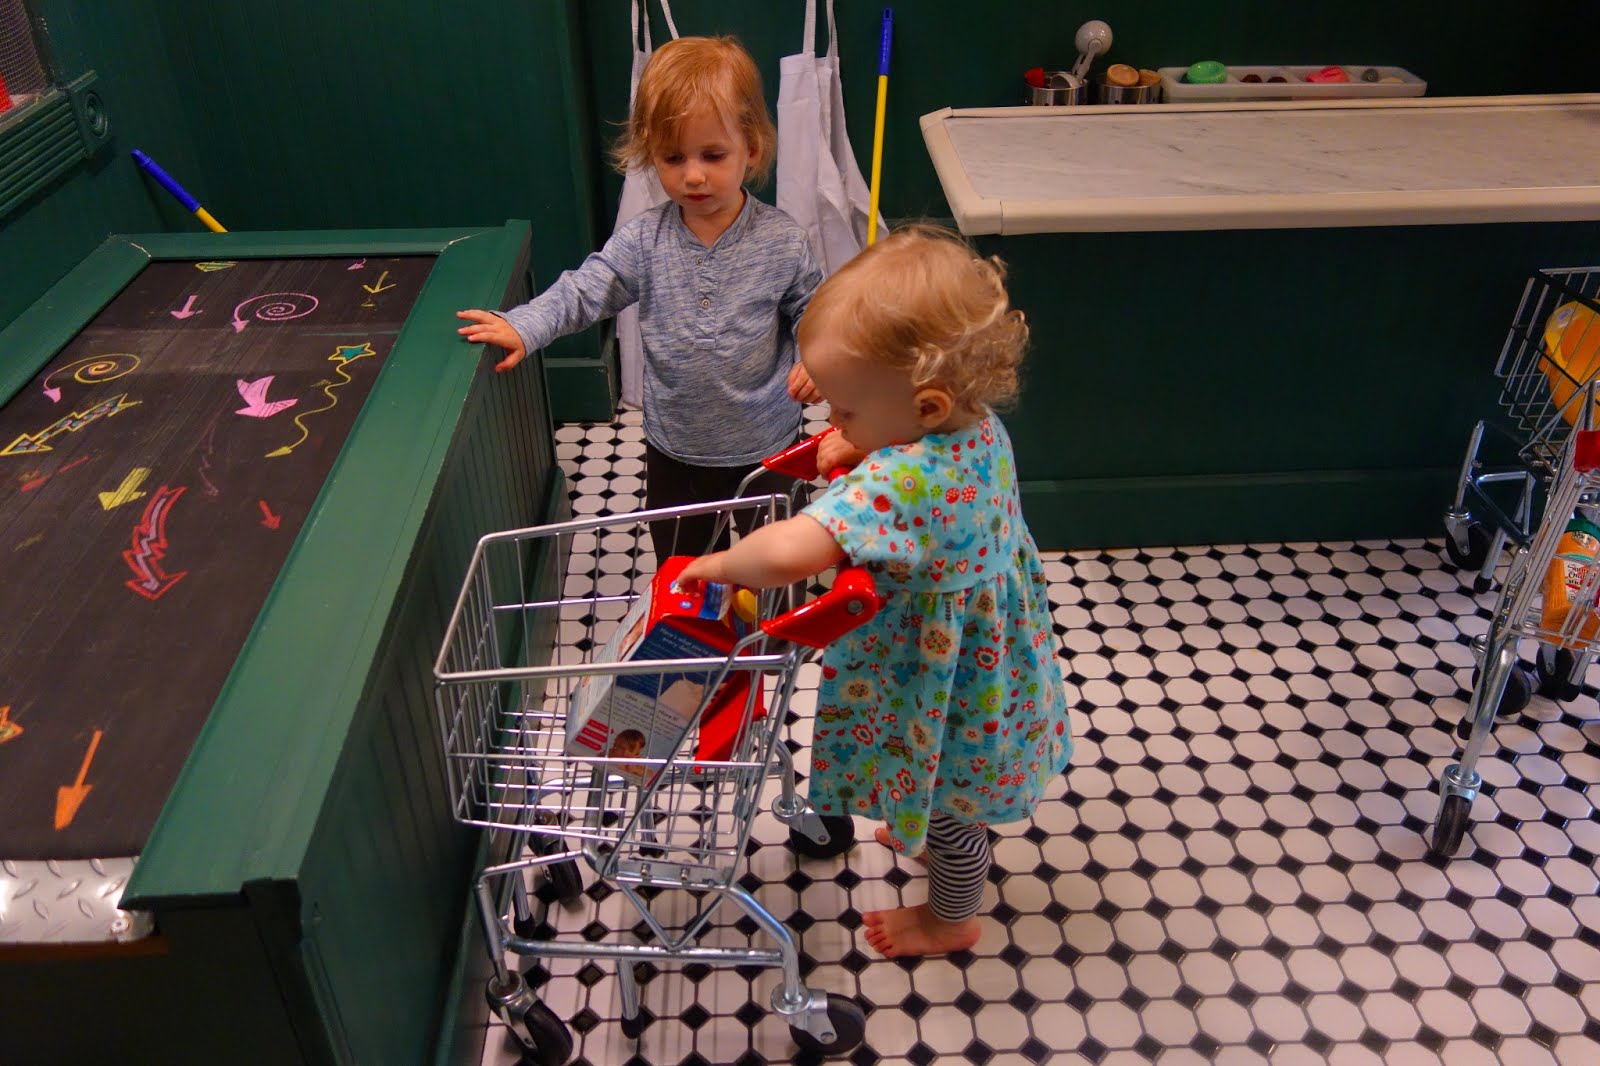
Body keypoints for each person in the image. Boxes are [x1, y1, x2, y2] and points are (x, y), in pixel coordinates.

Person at [676, 225, 1072, 958]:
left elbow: (795, 549)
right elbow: (905, 454)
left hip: (942, 679)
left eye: (847, 411)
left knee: (953, 820)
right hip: (984, 663)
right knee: (947, 781)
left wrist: (724, 563)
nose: (834, 422)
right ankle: (929, 813)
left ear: (926, 406)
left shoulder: (906, 480)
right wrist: (865, 439)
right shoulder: (977, 430)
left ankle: (951, 918)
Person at [456, 36, 824, 557]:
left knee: (779, 562)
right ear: (652, 156)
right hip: (676, 450)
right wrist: (526, 323)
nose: (693, 174)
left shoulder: (783, 240)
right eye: (673, 157)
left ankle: (767, 610)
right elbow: (586, 289)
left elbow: (815, 309)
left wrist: (819, 359)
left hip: (770, 444)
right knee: (681, 568)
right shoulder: (642, 240)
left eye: (713, 155)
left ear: (752, 150)